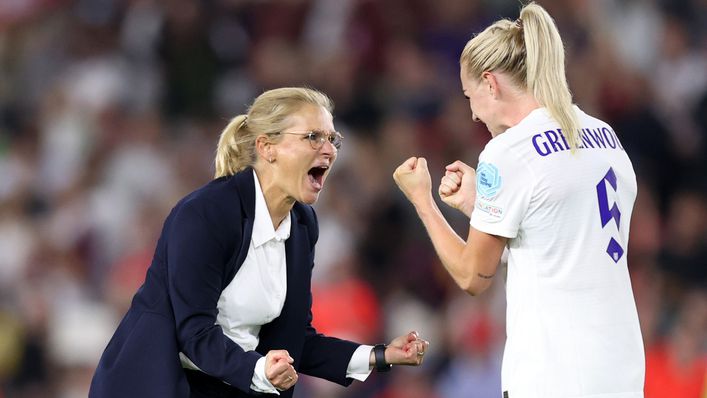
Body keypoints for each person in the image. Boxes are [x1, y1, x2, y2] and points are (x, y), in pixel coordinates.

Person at [90, 87, 429, 398]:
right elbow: (193, 333)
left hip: (230, 385)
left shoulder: (302, 224)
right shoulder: (205, 214)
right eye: (313, 137)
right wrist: (259, 369)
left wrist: (379, 355)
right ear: (267, 148)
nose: (329, 150)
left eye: (332, 139)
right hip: (153, 385)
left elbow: (295, 340)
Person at [393, 3, 644, 398]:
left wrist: (423, 199)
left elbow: (473, 276)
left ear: (491, 84)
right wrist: (482, 206)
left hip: (554, 373)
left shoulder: (507, 151)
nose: (473, 115)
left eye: (469, 95)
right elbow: (557, 242)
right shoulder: (604, 135)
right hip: (621, 367)